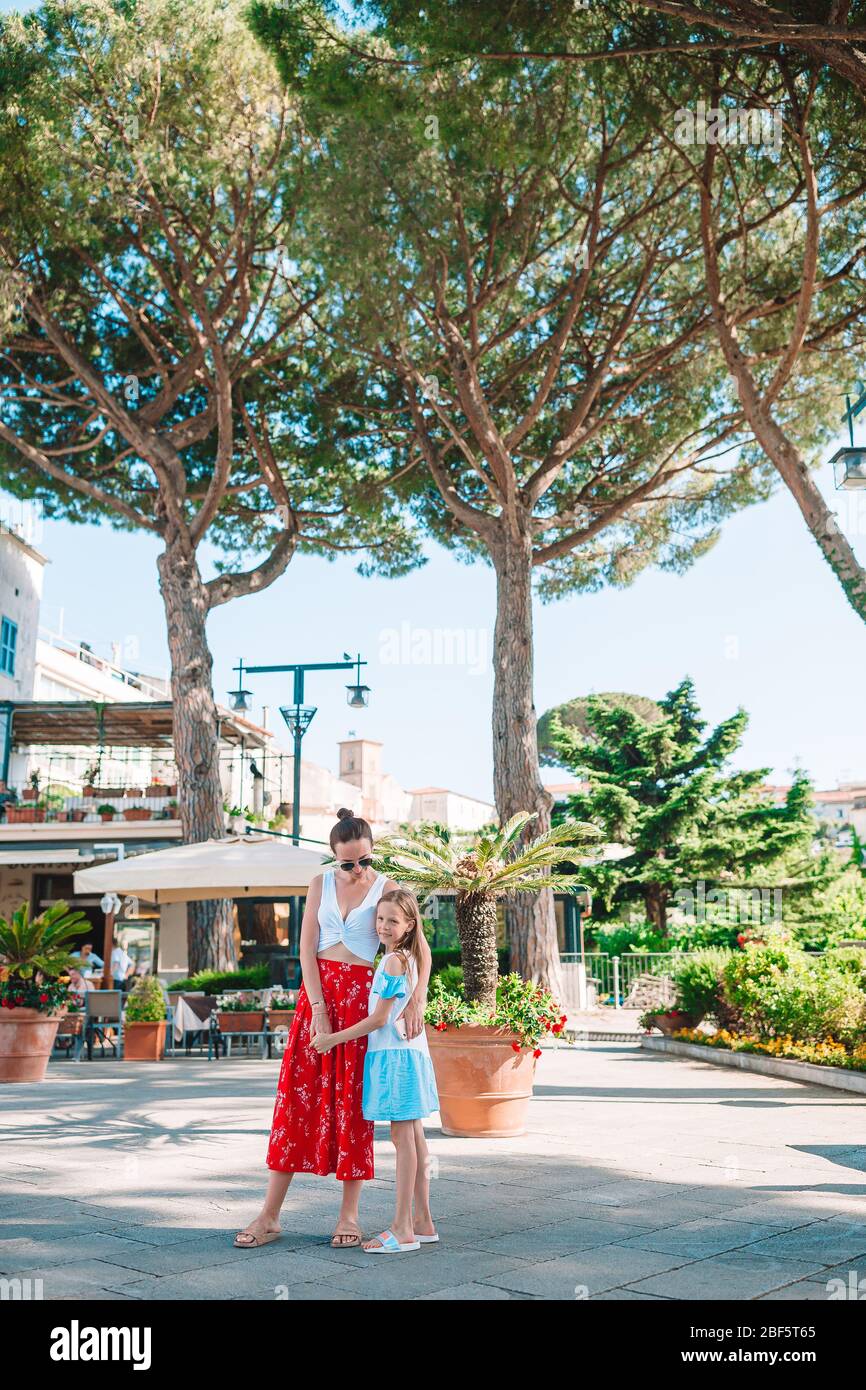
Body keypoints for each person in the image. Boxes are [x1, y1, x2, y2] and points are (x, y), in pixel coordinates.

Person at [233, 808, 432, 1251]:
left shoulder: (389, 888)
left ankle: (350, 1215)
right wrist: (319, 1008)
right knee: (294, 1103)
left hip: (362, 1002)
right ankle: (269, 1215)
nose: (357, 869)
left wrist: (417, 998)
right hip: (318, 999)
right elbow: (306, 950)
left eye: (364, 859)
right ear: (333, 857)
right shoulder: (319, 884)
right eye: (348, 863)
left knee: (352, 1109)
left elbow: (420, 945)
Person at [313, 888, 439, 1254]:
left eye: (392, 921)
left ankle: (402, 1229)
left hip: (394, 1059)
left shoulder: (393, 962)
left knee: (403, 1141)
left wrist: (332, 1039)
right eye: (380, 918)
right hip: (411, 1056)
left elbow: (379, 1019)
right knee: (414, 1138)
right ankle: (423, 1222)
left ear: (409, 925)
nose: (383, 926)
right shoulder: (411, 957)